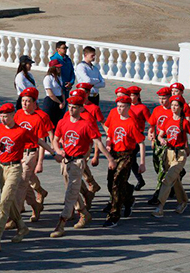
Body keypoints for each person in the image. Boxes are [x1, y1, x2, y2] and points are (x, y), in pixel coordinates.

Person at [0, 103, 57, 254]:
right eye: (1, 116)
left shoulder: (22, 131)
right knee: (9, 199)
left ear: (13, 115)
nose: (3, 119)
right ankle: (22, 227)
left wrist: (54, 152)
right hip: (1, 168)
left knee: (3, 201)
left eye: (6, 116)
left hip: (15, 168)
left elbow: (39, 141)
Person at [52, 95, 113, 236]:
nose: (71, 109)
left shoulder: (86, 124)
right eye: (70, 107)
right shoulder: (63, 122)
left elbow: (98, 142)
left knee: (70, 193)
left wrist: (109, 158)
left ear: (80, 108)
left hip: (78, 162)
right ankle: (84, 213)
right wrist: (58, 151)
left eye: (74, 107)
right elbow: (55, 139)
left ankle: (61, 223)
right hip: (65, 161)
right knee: (71, 190)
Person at [101, 95, 145, 227]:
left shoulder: (132, 123)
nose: (119, 109)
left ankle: (114, 215)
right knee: (110, 183)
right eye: (118, 106)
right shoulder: (114, 118)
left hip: (127, 155)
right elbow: (109, 135)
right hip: (114, 154)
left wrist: (142, 163)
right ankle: (129, 196)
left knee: (117, 182)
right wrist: (108, 144)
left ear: (128, 107)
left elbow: (141, 143)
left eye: (122, 107)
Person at [153, 96, 190, 218]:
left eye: (176, 105)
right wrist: (161, 140)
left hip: (180, 154)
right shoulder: (167, 120)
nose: (173, 107)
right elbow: (160, 135)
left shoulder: (185, 122)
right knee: (175, 179)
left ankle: (160, 206)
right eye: (172, 105)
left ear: (181, 107)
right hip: (169, 153)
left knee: (167, 179)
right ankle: (183, 201)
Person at [14, 87, 54, 222]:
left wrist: (40, 161)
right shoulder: (18, 114)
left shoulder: (40, 117)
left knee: (22, 181)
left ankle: (15, 216)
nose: (24, 104)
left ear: (34, 102)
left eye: (27, 101)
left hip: (31, 152)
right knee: (28, 179)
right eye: (23, 101)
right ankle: (38, 199)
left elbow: (43, 139)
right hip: (19, 152)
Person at [147, 87, 172, 206]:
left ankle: (158, 193)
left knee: (162, 168)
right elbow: (152, 125)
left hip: (169, 141)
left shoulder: (173, 110)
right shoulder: (157, 110)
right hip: (158, 140)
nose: (162, 101)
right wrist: (151, 134)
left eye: (164, 98)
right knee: (157, 165)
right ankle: (178, 174)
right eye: (160, 98)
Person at [128, 86, 151, 191]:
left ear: (138, 96)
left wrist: (152, 133)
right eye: (129, 95)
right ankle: (140, 180)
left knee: (131, 159)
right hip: (128, 137)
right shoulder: (126, 106)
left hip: (138, 136)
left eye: (133, 95)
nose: (131, 97)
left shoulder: (143, 108)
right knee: (131, 161)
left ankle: (138, 180)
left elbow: (151, 122)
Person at [43, 59, 65, 127]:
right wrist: (59, 102)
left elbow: (61, 90)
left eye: (59, 67)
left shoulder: (59, 77)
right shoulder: (48, 78)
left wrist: (63, 101)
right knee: (50, 123)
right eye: (57, 67)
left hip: (59, 99)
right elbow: (50, 93)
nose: (59, 69)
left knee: (58, 122)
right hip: (51, 101)